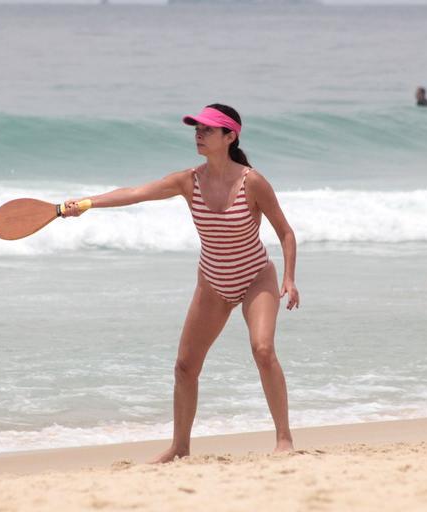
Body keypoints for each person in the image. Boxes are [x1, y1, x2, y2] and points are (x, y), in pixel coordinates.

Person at [60, 104, 299, 463]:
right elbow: (136, 192)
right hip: (213, 281)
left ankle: (284, 440)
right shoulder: (189, 180)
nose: (198, 135)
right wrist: (88, 203)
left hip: (254, 277)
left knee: (263, 350)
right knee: (185, 366)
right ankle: (180, 448)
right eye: (196, 129)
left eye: (207, 130)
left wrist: (289, 278)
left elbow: (286, 232)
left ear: (230, 136)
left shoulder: (253, 182)